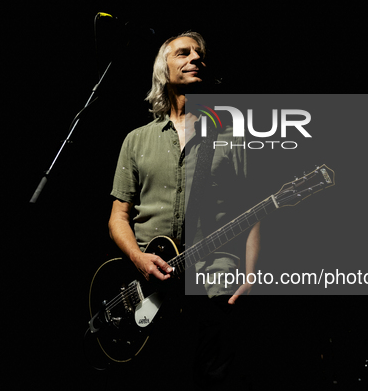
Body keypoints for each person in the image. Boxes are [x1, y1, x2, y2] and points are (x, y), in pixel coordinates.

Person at [107, 31, 260, 385]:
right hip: (150, 289)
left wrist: (253, 276)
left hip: (215, 284)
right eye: (184, 53)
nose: (195, 58)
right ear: (164, 69)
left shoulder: (232, 137)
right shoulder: (136, 140)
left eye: (200, 54)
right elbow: (119, 217)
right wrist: (137, 258)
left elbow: (254, 215)